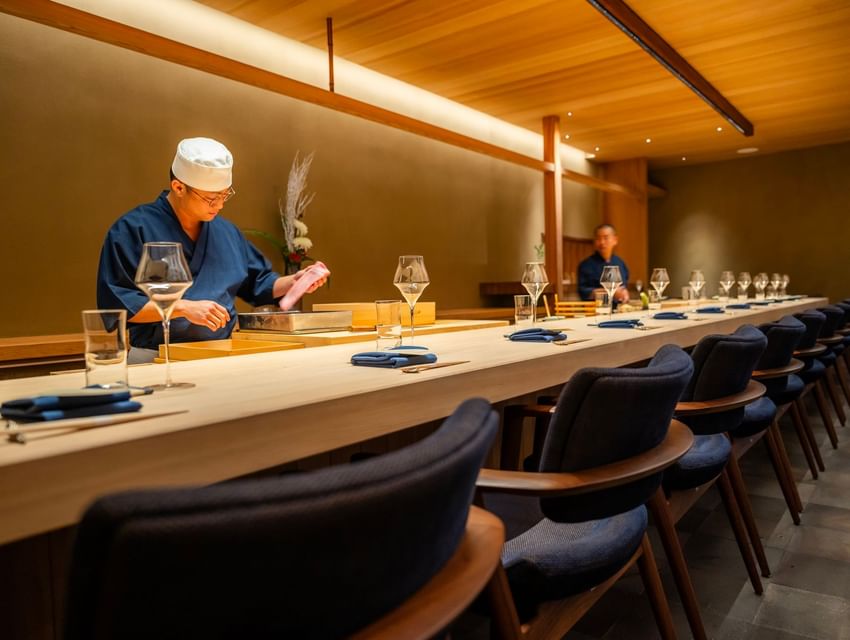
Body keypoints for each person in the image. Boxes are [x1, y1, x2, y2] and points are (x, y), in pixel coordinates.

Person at [97, 137, 328, 363]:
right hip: (156, 358)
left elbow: (260, 283)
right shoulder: (133, 230)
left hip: (221, 355)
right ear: (178, 187)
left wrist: (295, 281)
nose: (220, 205)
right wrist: (183, 308)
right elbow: (118, 305)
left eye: (225, 195)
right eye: (210, 198)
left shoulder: (227, 232)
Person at [577, 223, 630, 304]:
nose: (602, 242)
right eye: (598, 238)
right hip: (596, 310)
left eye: (606, 238)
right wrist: (610, 293)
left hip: (619, 310)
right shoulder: (585, 265)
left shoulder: (620, 263)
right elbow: (583, 292)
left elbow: (623, 286)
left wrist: (624, 293)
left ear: (615, 240)